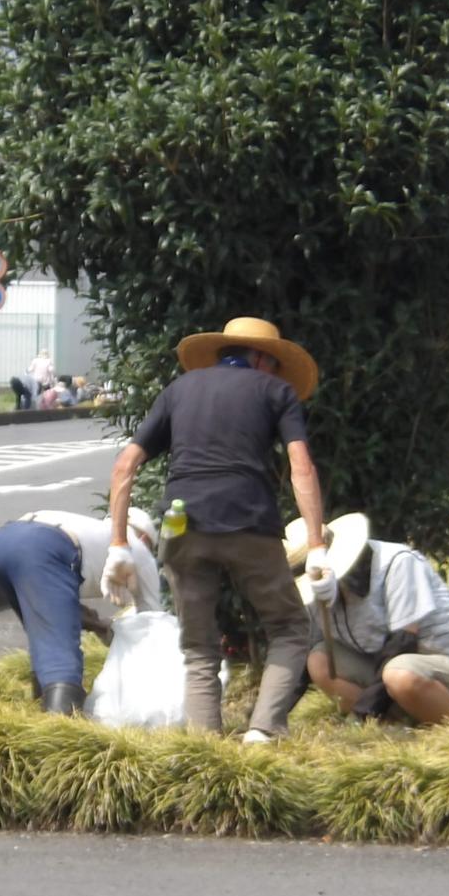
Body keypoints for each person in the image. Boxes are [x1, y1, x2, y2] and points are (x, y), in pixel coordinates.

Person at [103, 317, 329, 742]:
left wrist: (118, 544)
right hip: (250, 522)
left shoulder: (179, 389)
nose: (277, 374)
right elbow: (301, 466)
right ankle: (263, 731)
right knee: (289, 627)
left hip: (181, 525)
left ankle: (205, 747)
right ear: (260, 358)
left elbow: (124, 466)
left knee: (197, 645)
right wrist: (316, 544)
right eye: (274, 365)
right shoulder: (275, 391)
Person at [286, 513, 449, 725]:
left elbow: (403, 642)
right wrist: (268, 718)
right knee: (319, 660)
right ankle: (392, 724)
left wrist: (364, 710)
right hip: (383, 666)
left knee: (399, 674)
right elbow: (301, 656)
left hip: (443, 663)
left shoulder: (398, 562)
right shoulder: (317, 597)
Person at [0, 507, 161, 713]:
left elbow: (53, 604)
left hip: (1, 544)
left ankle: (40, 708)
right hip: (45, 548)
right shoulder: (138, 551)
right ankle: (60, 725)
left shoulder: (93, 530)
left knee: (44, 638)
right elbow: (154, 624)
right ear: (146, 539)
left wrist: (97, 625)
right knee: (61, 659)